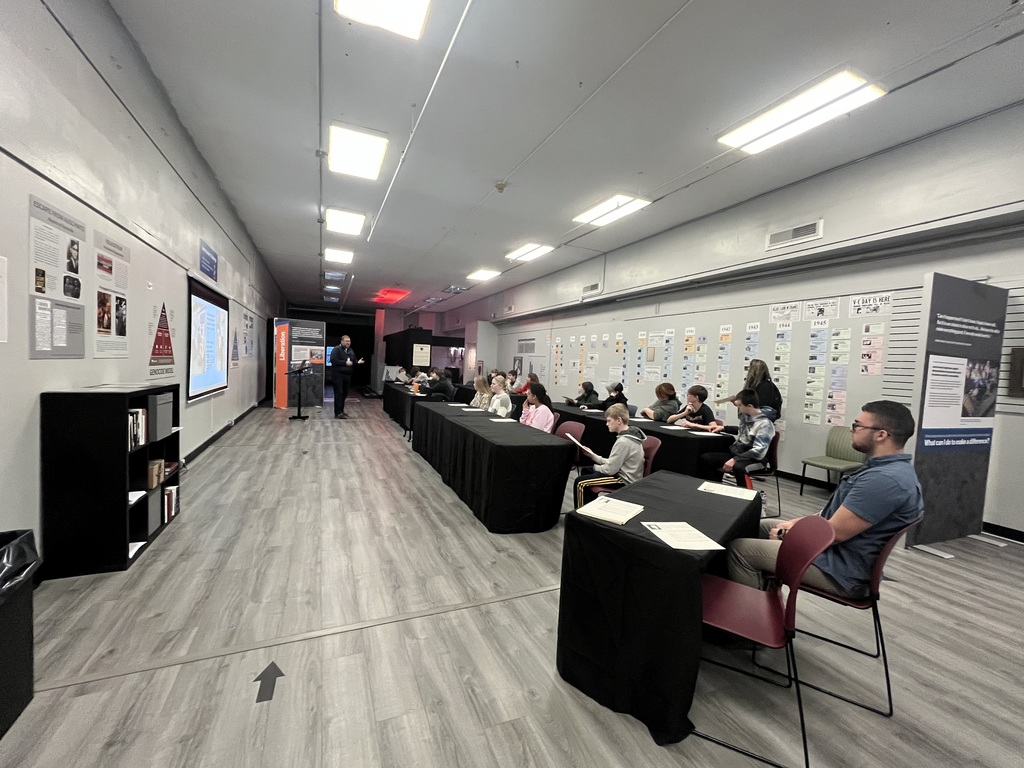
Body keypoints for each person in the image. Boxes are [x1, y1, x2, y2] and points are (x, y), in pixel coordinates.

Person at [728, 400, 924, 598]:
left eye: (857, 425)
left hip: (839, 570)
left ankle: (756, 622)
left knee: (739, 550)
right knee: (759, 526)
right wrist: (794, 524)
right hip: (835, 553)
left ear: (881, 435)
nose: (852, 430)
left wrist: (784, 536)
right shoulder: (881, 470)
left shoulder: (885, 480)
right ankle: (767, 606)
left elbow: (834, 533)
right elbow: (830, 515)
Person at [573, 404, 647, 508]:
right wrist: (593, 456)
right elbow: (613, 462)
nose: (607, 424)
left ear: (619, 420)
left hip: (624, 479)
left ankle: (579, 514)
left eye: (609, 421)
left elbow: (610, 470)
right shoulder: (629, 436)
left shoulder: (623, 441)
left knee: (580, 482)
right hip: (620, 472)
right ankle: (590, 509)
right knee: (586, 470)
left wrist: (595, 466)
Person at [698, 389, 775, 483]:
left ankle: (744, 495)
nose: (738, 408)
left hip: (755, 459)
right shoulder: (746, 416)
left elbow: (759, 451)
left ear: (750, 406)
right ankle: (714, 486)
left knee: (739, 468)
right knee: (706, 458)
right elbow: (742, 431)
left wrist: (734, 460)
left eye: (740, 406)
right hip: (739, 453)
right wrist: (723, 428)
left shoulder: (765, 424)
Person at [718, 359, 782, 421]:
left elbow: (757, 406)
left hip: (758, 421)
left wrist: (742, 403)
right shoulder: (765, 385)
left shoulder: (764, 387)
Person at [329, 335, 363, 418]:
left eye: (349, 341)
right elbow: (333, 360)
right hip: (338, 375)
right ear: (342, 341)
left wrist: (357, 362)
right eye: (346, 341)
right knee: (338, 393)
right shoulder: (336, 349)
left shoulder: (350, 350)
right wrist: (345, 363)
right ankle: (337, 413)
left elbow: (353, 360)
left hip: (347, 375)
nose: (348, 343)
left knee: (344, 393)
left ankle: (341, 411)